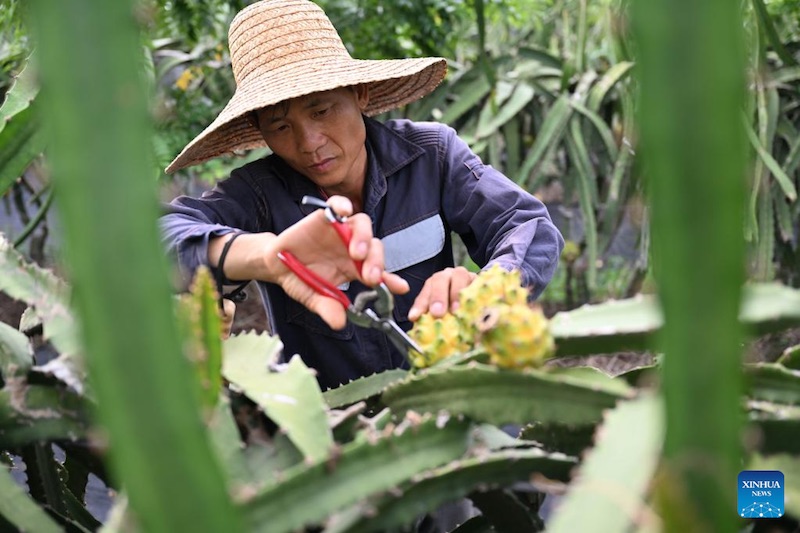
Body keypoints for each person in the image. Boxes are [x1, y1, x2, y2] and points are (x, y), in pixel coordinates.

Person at [160, 0, 564, 391]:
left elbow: (525, 224)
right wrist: (263, 256)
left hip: (455, 395)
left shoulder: (433, 155)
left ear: (360, 94)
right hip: (333, 428)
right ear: (261, 131)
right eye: (281, 126)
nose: (309, 143)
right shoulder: (259, 192)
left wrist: (487, 291)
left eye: (321, 111)